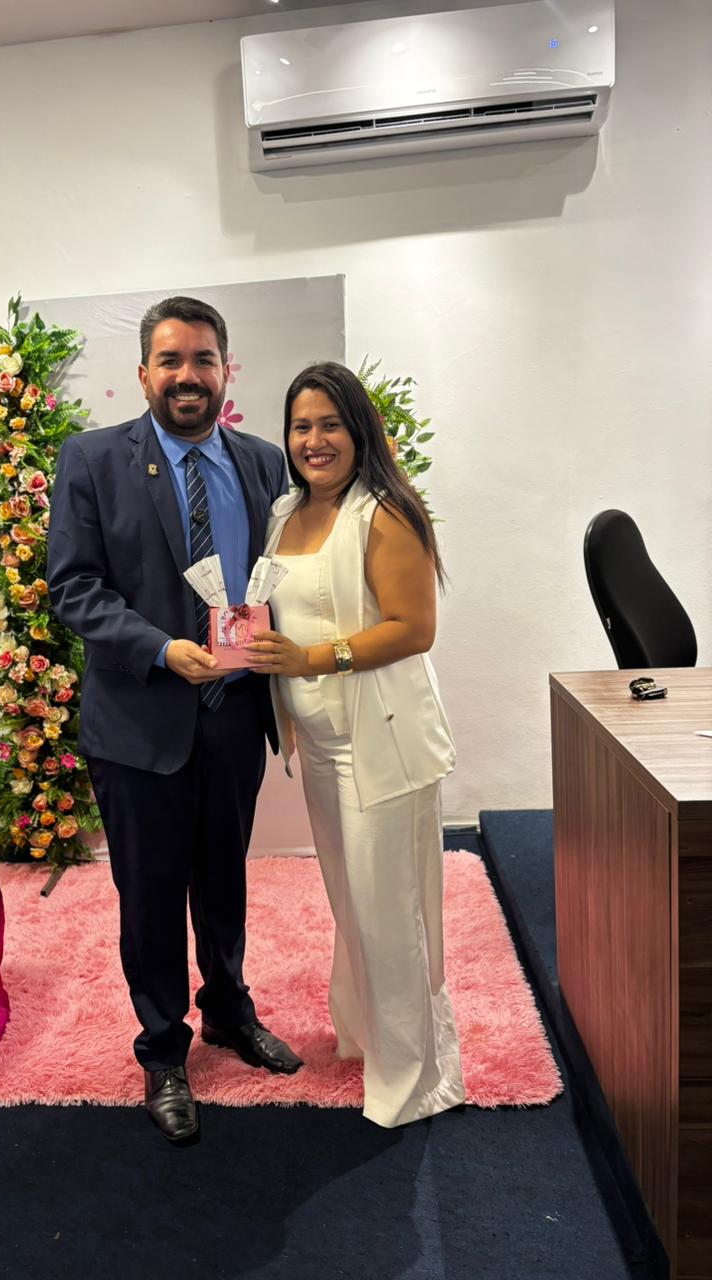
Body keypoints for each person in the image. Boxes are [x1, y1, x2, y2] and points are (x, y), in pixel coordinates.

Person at [47, 296, 302, 1147]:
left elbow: (280, 579)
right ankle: (163, 1051)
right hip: (138, 723)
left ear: (227, 371)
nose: (187, 376)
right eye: (171, 360)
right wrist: (161, 649)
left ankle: (228, 1009)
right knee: (151, 895)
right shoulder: (92, 460)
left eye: (202, 359)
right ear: (143, 373)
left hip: (234, 716)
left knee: (225, 880)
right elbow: (74, 587)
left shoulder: (264, 463)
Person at [246, 361, 464, 1128]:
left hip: (384, 743)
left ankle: (414, 1080)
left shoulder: (385, 511)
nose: (314, 440)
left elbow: (414, 628)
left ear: (359, 430)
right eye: (301, 426)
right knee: (355, 904)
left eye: (330, 424)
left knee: (391, 911)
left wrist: (314, 659)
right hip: (322, 744)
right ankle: (372, 1036)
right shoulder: (284, 512)